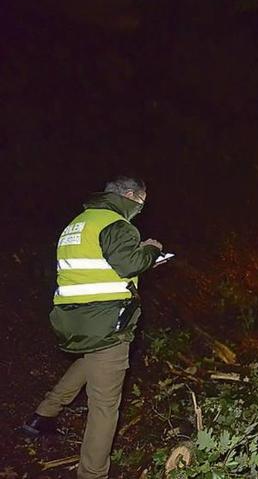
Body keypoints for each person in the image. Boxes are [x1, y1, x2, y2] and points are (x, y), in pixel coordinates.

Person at [22, 176, 162, 479]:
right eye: (141, 203)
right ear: (129, 195)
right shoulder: (117, 224)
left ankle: (43, 414)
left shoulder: (77, 224)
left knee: (89, 363)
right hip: (106, 322)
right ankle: (93, 473)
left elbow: (94, 269)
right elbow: (129, 264)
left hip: (74, 321)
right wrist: (150, 250)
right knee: (105, 405)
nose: (140, 210)